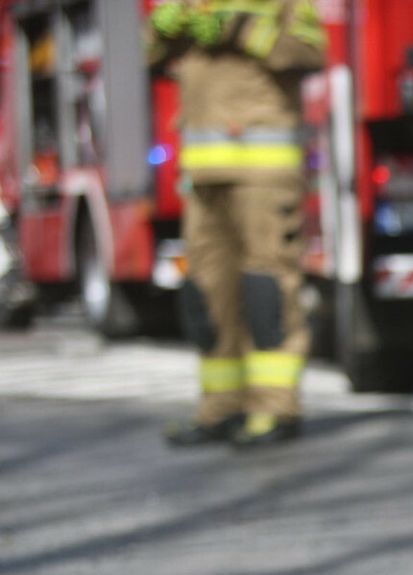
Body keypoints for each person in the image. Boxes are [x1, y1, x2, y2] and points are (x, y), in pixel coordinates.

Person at [148, 0, 327, 449]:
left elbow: (310, 54)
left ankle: (275, 408)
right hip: (203, 172)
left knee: (265, 290)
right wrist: (163, 31)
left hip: (263, 172)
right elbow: (146, 58)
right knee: (206, 295)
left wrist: (244, 30)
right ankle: (220, 409)